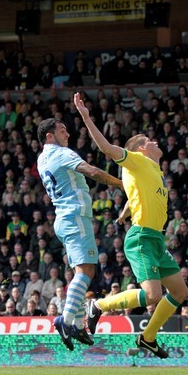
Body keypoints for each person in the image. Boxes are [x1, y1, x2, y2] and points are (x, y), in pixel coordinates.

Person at [74, 93, 188, 359]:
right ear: (140, 149)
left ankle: (148, 338)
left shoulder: (155, 173)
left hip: (156, 241)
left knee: (181, 291)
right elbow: (106, 148)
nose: (156, 141)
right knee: (152, 295)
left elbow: (136, 193)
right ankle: (98, 306)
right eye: (149, 141)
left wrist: (127, 209)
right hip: (142, 239)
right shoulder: (138, 161)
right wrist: (86, 117)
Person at [37, 118, 123, 351]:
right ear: (49, 136)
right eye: (62, 130)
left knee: (81, 272)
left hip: (64, 219)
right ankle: (66, 322)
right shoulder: (61, 154)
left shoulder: (42, 158)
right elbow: (92, 171)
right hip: (75, 217)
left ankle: (76, 324)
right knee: (86, 272)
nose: (68, 135)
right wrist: (123, 184)